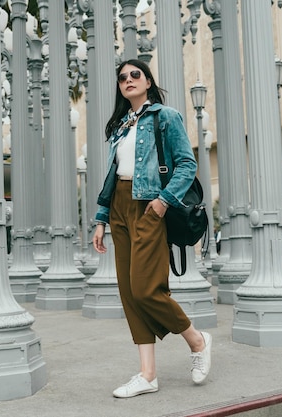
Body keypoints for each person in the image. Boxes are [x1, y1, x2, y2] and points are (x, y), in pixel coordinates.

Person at [92, 59, 212, 399]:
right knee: (130, 294)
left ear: (147, 81)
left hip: (149, 205)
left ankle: (198, 341)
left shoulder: (165, 116)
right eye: (122, 78)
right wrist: (101, 218)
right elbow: (112, 175)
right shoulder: (120, 126)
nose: (128, 80)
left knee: (147, 289)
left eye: (135, 75)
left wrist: (163, 201)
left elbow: (187, 163)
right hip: (119, 206)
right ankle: (147, 374)